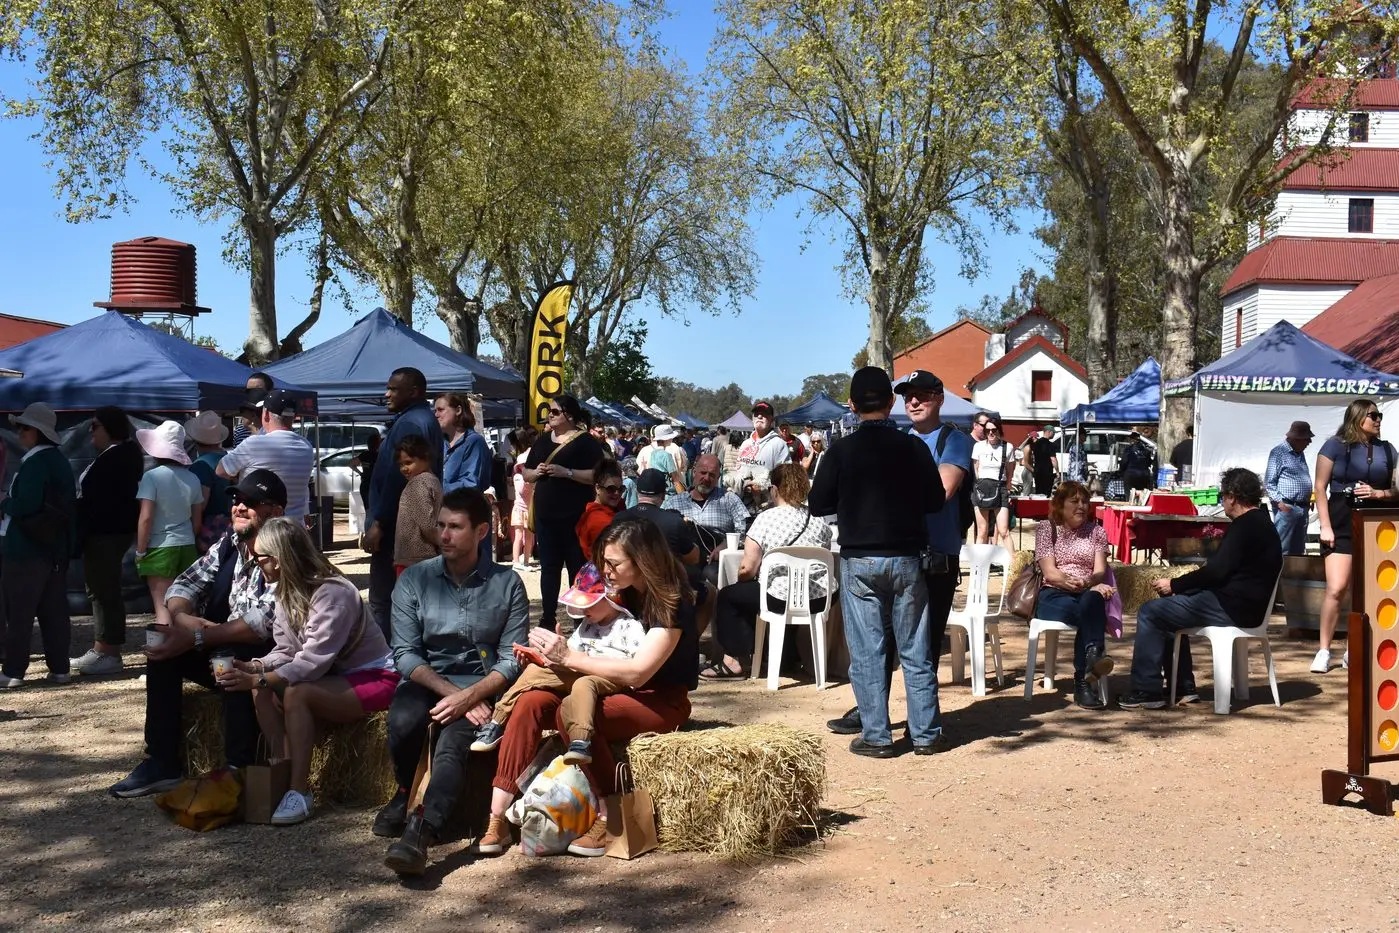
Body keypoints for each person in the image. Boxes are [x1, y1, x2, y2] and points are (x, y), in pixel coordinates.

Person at [478, 518, 697, 858]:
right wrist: (551, 657)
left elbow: (638, 673)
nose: (606, 571)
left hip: (659, 700)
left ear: (641, 560)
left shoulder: (671, 601)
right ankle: (497, 815)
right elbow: (592, 645)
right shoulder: (622, 592)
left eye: (613, 564)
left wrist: (568, 656)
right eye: (603, 562)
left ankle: (610, 816)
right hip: (608, 688)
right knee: (531, 700)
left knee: (571, 714)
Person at [379, 488, 529, 875]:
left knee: (452, 746)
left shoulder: (507, 584)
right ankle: (403, 792)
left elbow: (513, 658)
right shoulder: (415, 580)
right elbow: (406, 654)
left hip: (482, 685)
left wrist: (474, 695)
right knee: (403, 720)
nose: (444, 535)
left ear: (482, 531)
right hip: (431, 682)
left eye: (455, 527)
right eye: (441, 526)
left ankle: (420, 832)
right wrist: (456, 695)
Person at [107, 470, 285, 796]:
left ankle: (238, 770)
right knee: (163, 648)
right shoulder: (228, 545)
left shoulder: (287, 551)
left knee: (231, 661)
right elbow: (183, 585)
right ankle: (161, 762)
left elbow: (263, 625)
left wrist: (200, 637)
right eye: (236, 500)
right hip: (220, 647)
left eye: (251, 502)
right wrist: (184, 619)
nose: (239, 507)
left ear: (276, 512)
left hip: (270, 662)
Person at [216, 518, 398, 824]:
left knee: (296, 693)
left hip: (375, 676)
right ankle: (280, 772)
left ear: (279, 558)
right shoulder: (284, 591)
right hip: (335, 677)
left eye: (259, 557)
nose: (255, 563)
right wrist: (253, 667)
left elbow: (312, 661)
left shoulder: (333, 592)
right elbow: (287, 651)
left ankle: (299, 792)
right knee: (261, 690)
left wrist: (260, 676)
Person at [808, 368, 946, 757]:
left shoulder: (839, 452)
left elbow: (818, 504)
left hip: (860, 558)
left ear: (851, 406)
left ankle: (877, 736)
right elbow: (935, 501)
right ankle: (926, 734)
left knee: (868, 651)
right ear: (890, 403)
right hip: (907, 557)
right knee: (915, 648)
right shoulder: (914, 448)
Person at [1120, 468, 1283, 709]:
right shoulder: (1265, 524)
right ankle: (1184, 687)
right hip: (1249, 606)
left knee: (1151, 612)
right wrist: (1183, 589)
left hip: (1233, 607)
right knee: (1169, 611)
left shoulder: (1244, 526)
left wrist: (1174, 584)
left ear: (1233, 497)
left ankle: (1146, 691)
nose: (1222, 502)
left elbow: (1216, 572)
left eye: (1223, 496)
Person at [470, 563, 644, 759]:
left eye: (589, 603)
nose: (583, 610)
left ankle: (580, 740)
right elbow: (571, 655)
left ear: (612, 598)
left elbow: (636, 665)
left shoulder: (629, 626)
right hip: (582, 669)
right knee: (534, 672)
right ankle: (496, 723)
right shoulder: (587, 625)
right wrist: (542, 657)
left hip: (610, 676)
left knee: (583, 683)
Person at [705, 463, 833, 679]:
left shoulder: (765, 519)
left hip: (779, 598)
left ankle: (733, 660)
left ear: (774, 489)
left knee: (731, 596)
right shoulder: (819, 521)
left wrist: (742, 578)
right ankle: (787, 658)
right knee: (785, 594)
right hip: (819, 598)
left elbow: (748, 567)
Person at [1312, 400, 1399, 673]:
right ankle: (1324, 650)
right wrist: (1325, 526)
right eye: (1373, 415)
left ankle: (1355, 647)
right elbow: (1320, 486)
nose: (1378, 420)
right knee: (1336, 588)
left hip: (1378, 526)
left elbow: (1397, 489)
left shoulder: (1388, 450)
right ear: (1358, 417)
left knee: (1369, 591)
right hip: (1340, 521)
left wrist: (1379, 494)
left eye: (1379, 415)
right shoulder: (1335, 445)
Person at [0, 403, 78, 688]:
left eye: (23, 428)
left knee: (19, 612)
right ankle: (60, 669)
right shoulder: (59, 460)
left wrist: (4, 501)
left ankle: (13, 671)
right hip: (54, 547)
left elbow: (26, 504)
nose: (19, 433)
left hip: (26, 549)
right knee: (54, 611)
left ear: (36, 431)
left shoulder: (35, 462)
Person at [363, 367, 443, 635]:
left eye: (394, 389)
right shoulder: (417, 419)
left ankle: (387, 661)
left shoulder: (412, 423)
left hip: (397, 534)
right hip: (399, 533)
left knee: (385, 601)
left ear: (414, 392)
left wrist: (380, 523)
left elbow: (398, 478)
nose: (387, 394)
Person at [71, 406, 144, 676]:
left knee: (104, 590)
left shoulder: (119, 457)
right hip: (104, 532)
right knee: (100, 589)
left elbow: (101, 499)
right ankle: (101, 647)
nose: (91, 432)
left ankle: (109, 651)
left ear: (110, 427)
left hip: (106, 532)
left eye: (95, 426)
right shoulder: (118, 454)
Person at [1031, 481, 1116, 710]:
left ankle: (1087, 668)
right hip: (1054, 593)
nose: (1082, 506)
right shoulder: (1045, 529)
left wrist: (1089, 583)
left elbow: (1099, 571)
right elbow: (1050, 572)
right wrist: (1078, 584)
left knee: (1092, 601)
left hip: (1086, 592)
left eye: (1085, 501)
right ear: (1060, 505)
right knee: (1089, 612)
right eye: (1074, 501)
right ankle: (1088, 671)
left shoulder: (1097, 531)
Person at [523, 394, 605, 630]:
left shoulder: (585, 442)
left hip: (576, 518)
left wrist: (566, 472)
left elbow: (597, 475)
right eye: (549, 411)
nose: (550, 415)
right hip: (546, 518)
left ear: (569, 415)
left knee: (576, 568)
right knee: (548, 568)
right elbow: (525, 474)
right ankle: (548, 616)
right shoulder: (541, 441)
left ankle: (580, 617)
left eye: (555, 411)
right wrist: (537, 472)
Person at [135, 420, 205, 642]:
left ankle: (161, 664)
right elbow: (197, 520)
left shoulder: (152, 477)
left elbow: (145, 518)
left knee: (162, 607)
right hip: (186, 545)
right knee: (184, 608)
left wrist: (140, 550)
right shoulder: (193, 478)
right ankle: (188, 660)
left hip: (159, 546)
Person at [217, 389, 315, 520]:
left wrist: (242, 475)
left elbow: (221, 470)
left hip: (262, 529)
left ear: (266, 414)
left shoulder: (255, 443)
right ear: (294, 416)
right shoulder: (306, 446)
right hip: (294, 527)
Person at [614, 468, 704, 603]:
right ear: (663, 495)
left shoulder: (618, 518)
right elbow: (693, 558)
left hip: (627, 586)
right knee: (708, 591)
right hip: (665, 590)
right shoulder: (674, 521)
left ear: (638, 492)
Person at [1264, 421, 1315, 558]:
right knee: (1282, 548)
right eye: (1306, 438)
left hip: (1301, 508)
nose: (1309, 442)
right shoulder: (1278, 452)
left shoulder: (1299, 453)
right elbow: (1269, 482)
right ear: (1296, 438)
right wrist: (1280, 504)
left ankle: (1294, 577)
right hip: (1287, 507)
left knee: (1298, 550)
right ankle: (1278, 577)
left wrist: (1307, 498)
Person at [393, 435, 443, 574]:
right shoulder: (433, 481)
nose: (404, 468)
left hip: (415, 561)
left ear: (425, 458)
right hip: (423, 560)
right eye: (401, 464)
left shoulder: (418, 484)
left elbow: (428, 525)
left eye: (408, 462)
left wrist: (444, 544)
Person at [185, 410, 232, 553]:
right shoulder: (230, 458)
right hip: (230, 527)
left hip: (209, 531)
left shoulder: (201, 466)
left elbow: (199, 506)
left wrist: (193, 535)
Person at [971, 416, 1014, 551]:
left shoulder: (1008, 447)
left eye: (994, 430)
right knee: (982, 531)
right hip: (982, 488)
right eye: (987, 430)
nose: (990, 433)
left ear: (999, 430)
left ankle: (1015, 567)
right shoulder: (978, 446)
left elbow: (1010, 471)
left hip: (1000, 487)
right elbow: (976, 469)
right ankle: (979, 569)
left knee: (1004, 531)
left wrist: (1008, 489)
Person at [435, 392, 491, 495]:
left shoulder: (474, 442)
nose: (436, 415)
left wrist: (436, 490)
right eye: (435, 411)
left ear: (458, 410)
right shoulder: (440, 442)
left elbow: (471, 484)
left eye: (441, 410)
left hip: (462, 508)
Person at [576, 459, 625, 557]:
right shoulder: (597, 519)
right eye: (611, 489)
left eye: (620, 489)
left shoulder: (617, 508)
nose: (617, 493)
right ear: (597, 488)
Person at [508, 426, 538, 571]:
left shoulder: (523, 461)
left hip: (529, 507)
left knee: (528, 536)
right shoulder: (521, 476)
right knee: (519, 535)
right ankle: (517, 561)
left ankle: (525, 561)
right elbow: (521, 490)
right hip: (522, 507)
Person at [737, 402, 792, 473]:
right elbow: (738, 468)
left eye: (764, 414)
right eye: (756, 414)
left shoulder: (779, 445)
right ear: (752, 419)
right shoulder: (745, 443)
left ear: (772, 420)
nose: (759, 416)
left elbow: (785, 476)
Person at [638, 424, 687, 492]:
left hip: (657, 488)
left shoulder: (653, 454)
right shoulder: (666, 455)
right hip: (668, 491)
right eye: (670, 438)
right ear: (665, 439)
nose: (672, 439)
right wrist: (682, 495)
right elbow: (675, 478)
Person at [232, 372, 274, 446]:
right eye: (248, 391)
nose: (252, 395)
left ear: (269, 392)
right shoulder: (240, 429)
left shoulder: (276, 427)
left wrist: (253, 428)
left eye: (257, 390)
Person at [1120, 430, 1157, 495]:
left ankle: (1130, 503)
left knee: (1130, 494)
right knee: (1142, 495)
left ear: (1131, 439)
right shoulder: (1146, 450)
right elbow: (1149, 463)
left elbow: (1124, 463)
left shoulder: (1128, 449)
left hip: (1131, 475)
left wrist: (1121, 471)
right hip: (1144, 476)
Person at [1029, 425, 1060, 495]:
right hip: (1047, 472)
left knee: (1038, 492)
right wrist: (1057, 471)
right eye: (1053, 433)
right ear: (1049, 432)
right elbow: (1053, 459)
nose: (1054, 434)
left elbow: (1032, 457)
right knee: (1046, 493)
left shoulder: (1036, 443)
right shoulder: (1050, 445)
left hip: (1037, 471)